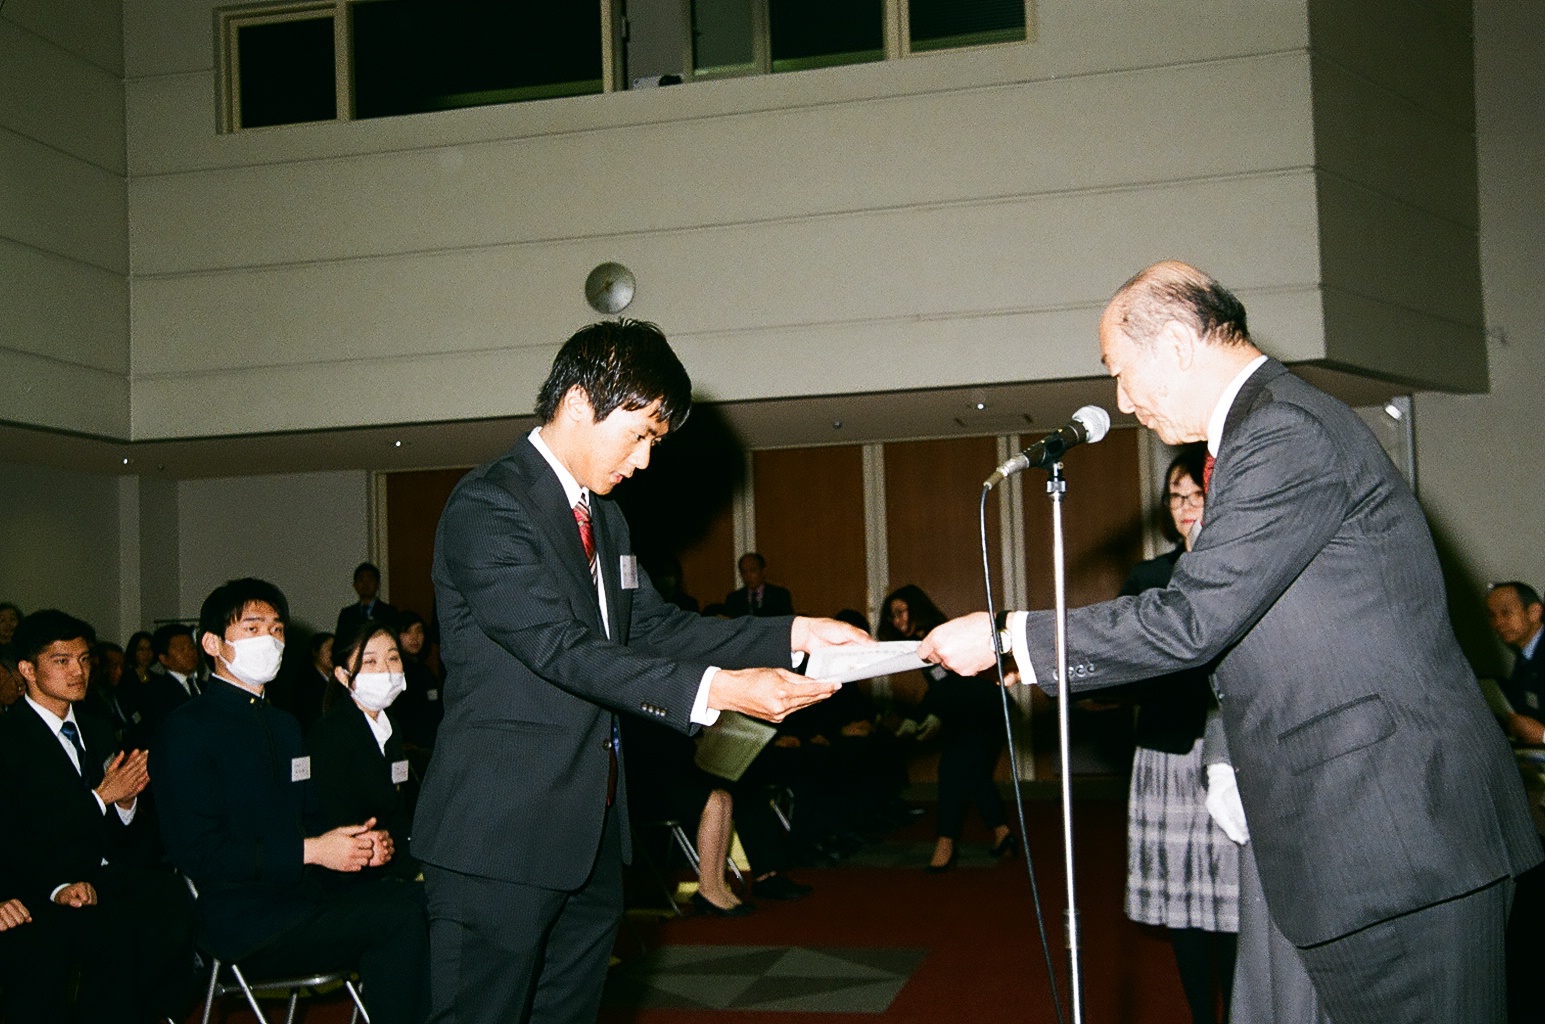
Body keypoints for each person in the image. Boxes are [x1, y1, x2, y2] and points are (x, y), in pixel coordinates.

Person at [920, 260, 1541, 1023]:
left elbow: (1191, 620)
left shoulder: (1282, 430)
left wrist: (1012, 637)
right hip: (1374, 832)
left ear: (1176, 347)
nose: (1121, 400)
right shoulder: (1266, 428)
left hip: (1398, 836)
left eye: (1119, 372)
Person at [411, 318, 862, 1024]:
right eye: (640, 434)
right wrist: (718, 690)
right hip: (500, 835)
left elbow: (656, 628)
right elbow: (558, 647)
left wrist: (793, 632)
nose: (645, 460)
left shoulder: (607, 519)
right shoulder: (489, 504)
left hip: (590, 831)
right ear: (578, 402)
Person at [154, 578, 429, 1024]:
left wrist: (354, 843)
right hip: (248, 921)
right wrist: (313, 850)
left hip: (306, 899)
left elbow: (309, 815)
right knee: (404, 914)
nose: (270, 639)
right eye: (253, 628)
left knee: (423, 898)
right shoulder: (187, 730)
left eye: (277, 629)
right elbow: (200, 853)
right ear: (212, 643)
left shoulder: (283, 725)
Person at [1, 609, 197, 1023]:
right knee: (110, 931)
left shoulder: (96, 727)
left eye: (84, 659)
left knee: (174, 901)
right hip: (40, 880)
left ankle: (146, 1011)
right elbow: (17, 835)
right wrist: (102, 798)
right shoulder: (9, 738)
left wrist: (126, 803)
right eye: (62, 661)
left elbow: (121, 830)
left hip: (102, 871)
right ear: (27, 670)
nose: (79, 671)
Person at [1116, 447, 1238, 1024]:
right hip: (1168, 752)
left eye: (1197, 496)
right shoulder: (1149, 578)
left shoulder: (1243, 571)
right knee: (1185, 906)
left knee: (1235, 904)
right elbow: (1123, 658)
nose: (1186, 508)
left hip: (1235, 753)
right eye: (1176, 498)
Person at [882, 584, 1012, 872]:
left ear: (916, 608)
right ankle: (1003, 834)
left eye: (901, 612)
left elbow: (952, 684)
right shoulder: (923, 639)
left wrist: (923, 715)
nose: (897, 620)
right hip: (977, 711)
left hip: (980, 710)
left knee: (951, 771)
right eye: (892, 615)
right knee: (976, 775)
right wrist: (923, 715)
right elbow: (942, 688)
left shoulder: (935, 636)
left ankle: (945, 843)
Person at [309, 620, 420, 881]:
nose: (386, 671)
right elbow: (333, 819)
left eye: (393, 658)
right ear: (342, 675)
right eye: (370, 662)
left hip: (399, 859)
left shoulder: (390, 726)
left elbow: (401, 802)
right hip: (353, 875)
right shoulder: (329, 734)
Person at [1485, 581, 1545, 744]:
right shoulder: (1525, 657)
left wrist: (1543, 735)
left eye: (1506, 613)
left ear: (1534, 612)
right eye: (1492, 616)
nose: (1498, 623)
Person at [336, 561, 397, 639]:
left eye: (370, 580)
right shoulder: (347, 614)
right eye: (361, 580)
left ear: (378, 584)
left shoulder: (389, 612)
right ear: (355, 585)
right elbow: (340, 641)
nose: (366, 584)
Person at [724, 552, 795, 617]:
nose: (748, 576)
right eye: (744, 572)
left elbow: (787, 621)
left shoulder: (779, 596)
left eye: (753, 571)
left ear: (763, 571)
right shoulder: (733, 599)